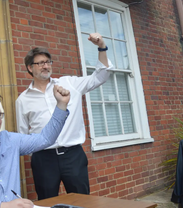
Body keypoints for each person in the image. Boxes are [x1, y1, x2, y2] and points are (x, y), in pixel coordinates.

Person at [16, 33, 113, 200]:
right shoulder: (22, 100)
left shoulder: (69, 84)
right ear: (30, 68)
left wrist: (102, 47)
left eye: (48, 62)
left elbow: (100, 76)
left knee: (82, 202)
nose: (45, 66)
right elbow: (23, 137)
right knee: (47, 202)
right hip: (43, 159)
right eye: (40, 63)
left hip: (73, 156)